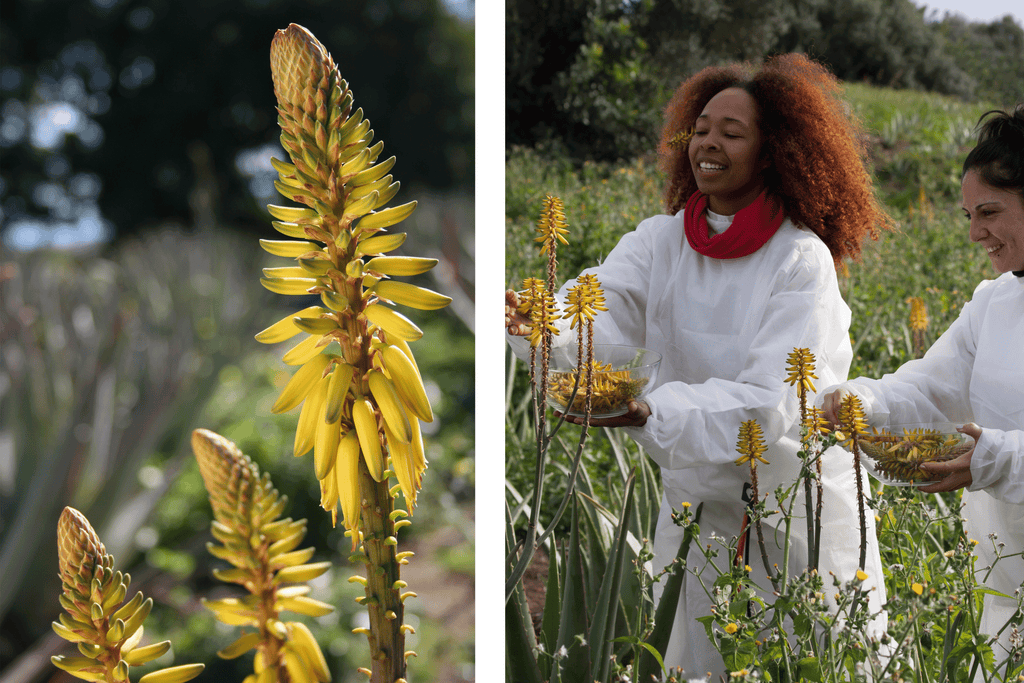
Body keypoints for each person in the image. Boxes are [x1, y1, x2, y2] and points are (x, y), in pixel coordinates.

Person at [505, 54, 892, 677]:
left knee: (796, 656)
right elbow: (599, 314)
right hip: (696, 500)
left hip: (794, 506)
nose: (709, 143)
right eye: (702, 129)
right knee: (695, 657)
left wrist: (650, 411)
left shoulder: (800, 260)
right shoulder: (660, 241)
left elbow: (773, 403)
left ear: (773, 153)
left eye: (732, 134)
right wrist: (540, 324)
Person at [820, 104, 1024, 675]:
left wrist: (998, 460)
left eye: (989, 211)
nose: (975, 232)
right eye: (967, 214)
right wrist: (863, 401)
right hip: (1004, 584)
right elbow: (932, 391)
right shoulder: (994, 302)